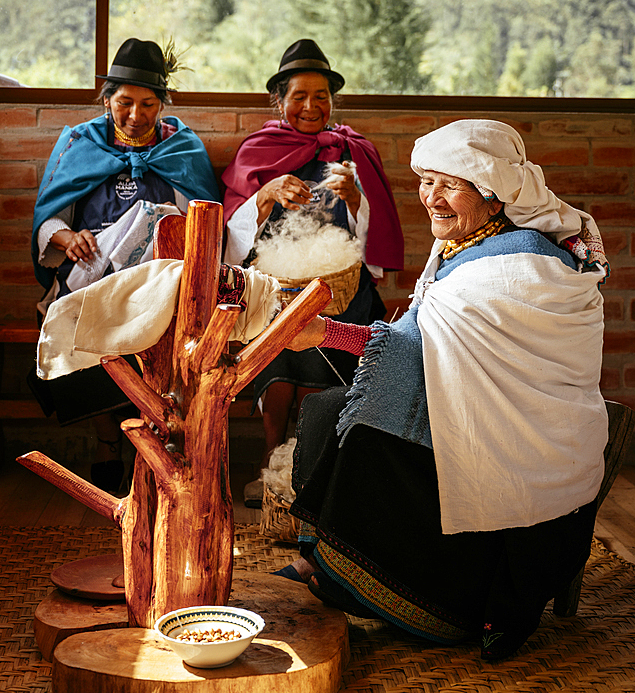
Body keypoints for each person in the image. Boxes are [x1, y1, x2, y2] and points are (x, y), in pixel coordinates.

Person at [275, 119, 610, 660]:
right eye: (426, 181)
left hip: (526, 430)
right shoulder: (466, 242)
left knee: (372, 435)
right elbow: (429, 338)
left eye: (449, 184)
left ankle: (441, 600)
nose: (431, 197)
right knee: (327, 409)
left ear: (493, 193)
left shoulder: (523, 262)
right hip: (472, 398)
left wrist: (324, 332)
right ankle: (324, 557)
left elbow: (416, 348)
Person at [30, 37, 220, 492]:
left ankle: (153, 444)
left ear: (162, 104)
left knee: (157, 339)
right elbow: (49, 217)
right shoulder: (81, 142)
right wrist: (67, 237)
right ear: (107, 99)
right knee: (90, 335)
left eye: (149, 105)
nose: (136, 115)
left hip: (156, 280)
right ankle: (108, 441)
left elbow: (204, 219)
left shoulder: (181, 147)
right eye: (125, 103)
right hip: (94, 274)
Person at [220, 38, 404, 505]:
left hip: (342, 288)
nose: (310, 106)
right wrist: (266, 195)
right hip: (275, 284)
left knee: (325, 364)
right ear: (278, 101)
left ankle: (311, 468)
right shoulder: (259, 151)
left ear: (333, 102)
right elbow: (232, 235)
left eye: (320, 96)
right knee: (280, 364)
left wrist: (355, 198)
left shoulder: (353, 152)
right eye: (298, 96)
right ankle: (269, 466)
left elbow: (374, 240)